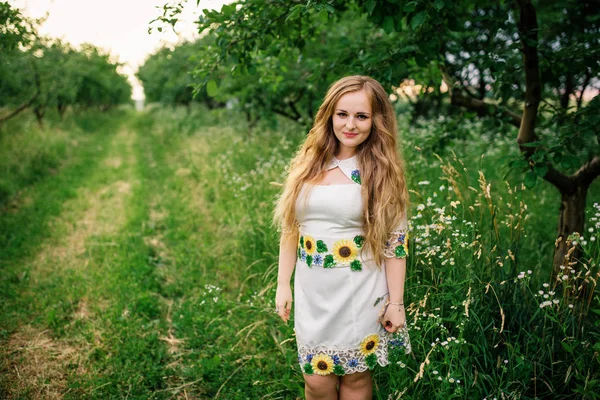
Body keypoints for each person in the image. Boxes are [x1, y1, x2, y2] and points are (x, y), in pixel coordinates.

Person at [273, 75, 411, 399]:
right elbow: (291, 229)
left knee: (355, 380)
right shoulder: (308, 162)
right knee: (316, 381)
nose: (350, 124)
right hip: (312, 292)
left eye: (361, 116)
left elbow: (394, 243)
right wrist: (283, 284)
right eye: (342, 114)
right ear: (329, 115)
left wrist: (396, 303)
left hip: (360, 290)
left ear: (376, 121)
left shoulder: (381, 171)